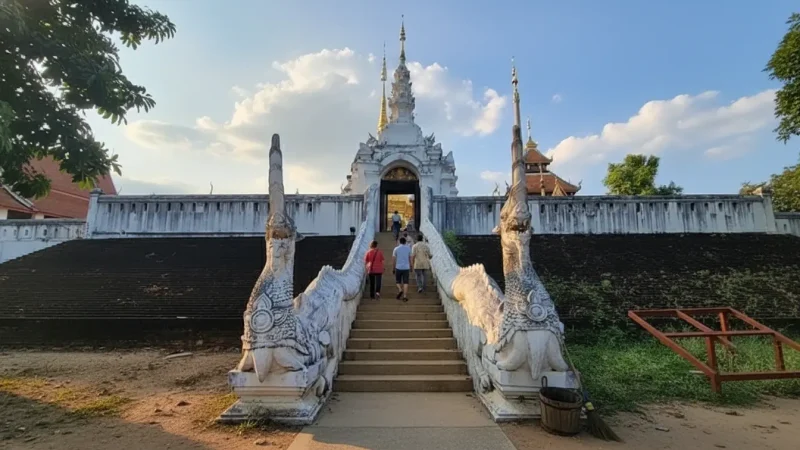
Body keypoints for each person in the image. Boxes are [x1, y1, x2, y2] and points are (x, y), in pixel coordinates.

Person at [392, 237, 412, 302]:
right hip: (406, 267)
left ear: (399, 242)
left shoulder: (396, 249)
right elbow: (410, 258)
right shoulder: (408, 248)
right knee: (406, 282)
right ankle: (405, 296)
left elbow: (394, 259)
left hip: (398, 267)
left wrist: (393, 268)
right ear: (405, 242)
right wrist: (411, 266)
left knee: (398, 281)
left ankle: (400, 290)